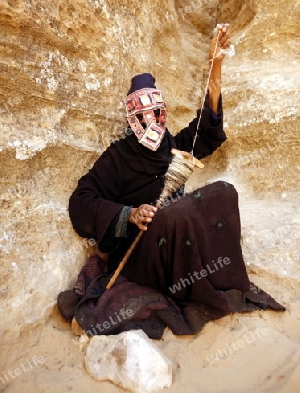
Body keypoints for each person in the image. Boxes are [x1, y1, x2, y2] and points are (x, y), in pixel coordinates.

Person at [58, 24, 284, 339]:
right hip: (141, 253)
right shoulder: (117, 158)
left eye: (157, 114)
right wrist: (129, 215)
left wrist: (215, 64)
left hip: (179, 239)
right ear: (131, 120)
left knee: (224, 192)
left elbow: (207, 128)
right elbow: (81, 199)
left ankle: (209, 274)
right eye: (142, 117)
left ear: (164, 113)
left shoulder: (172, 147)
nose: (151, 122)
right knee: (173, 215)